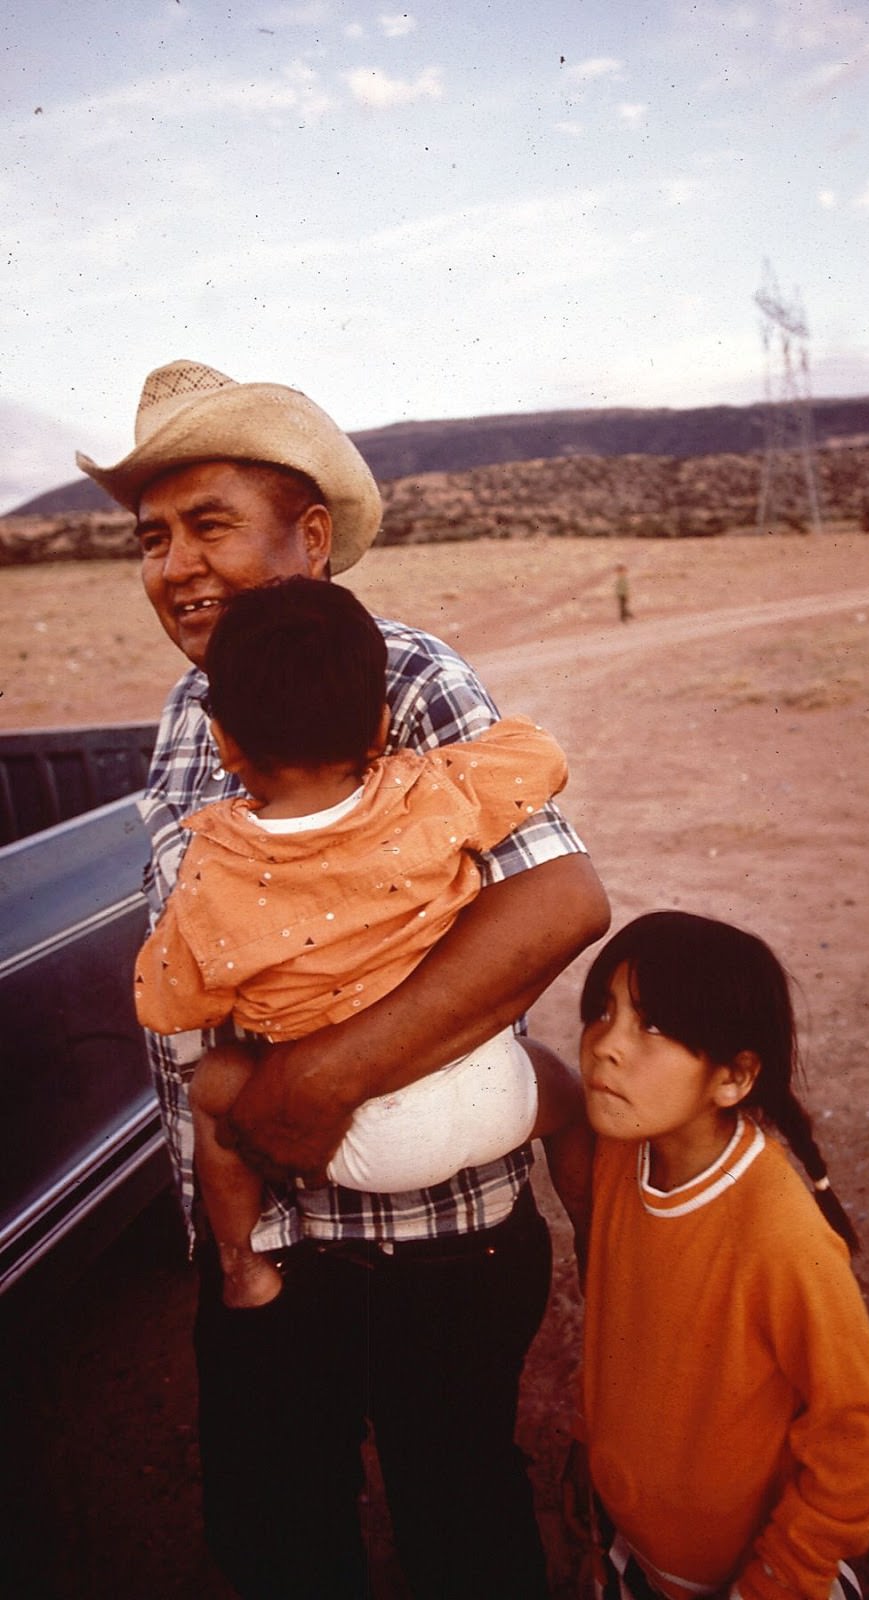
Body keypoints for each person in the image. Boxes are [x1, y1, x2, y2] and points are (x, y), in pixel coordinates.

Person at [76, 358, 610, 1600]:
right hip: (259, 1250)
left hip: (428, 1250)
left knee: (460, 1526)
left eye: (210, 523)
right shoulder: (184, 712)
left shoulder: (401, 675)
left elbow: (559, 900)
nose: (176, 564)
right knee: (273, 1536)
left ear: (308, 538)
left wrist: (307, 1086)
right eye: (152, 537)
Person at [134, 576, 585, 1310]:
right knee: (561, 1085)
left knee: (214, 1088)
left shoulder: (213, 870)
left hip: (357, 1151)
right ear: (380, 729)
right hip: (499, 1100)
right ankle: (592, 1223)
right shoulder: (430, 792)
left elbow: (168, 1001)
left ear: (225, 743)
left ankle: (240, 1261)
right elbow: (536, 759)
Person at [569, 911, 869, 1600]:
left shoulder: (779, 1235)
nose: (605, 1045)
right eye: (602, 1012)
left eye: (651, 1026)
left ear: (733, 1077)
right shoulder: (620, 1152)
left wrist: (779, 1580)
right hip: (636, 1554)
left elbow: (857, 1435)